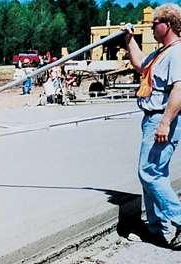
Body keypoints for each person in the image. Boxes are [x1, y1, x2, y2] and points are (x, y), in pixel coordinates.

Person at [123, 3, 181, 249]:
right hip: (153, 118)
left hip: (163, 118)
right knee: (152, 175)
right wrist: (129, 40)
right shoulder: (161, 53)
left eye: (154, 23)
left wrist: (165, 122)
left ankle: (178, 221)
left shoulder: (177, 52)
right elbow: (139, 65)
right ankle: (158, 229)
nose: (151, 27)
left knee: (150, 173)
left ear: (167, 24)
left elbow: (180, 89)